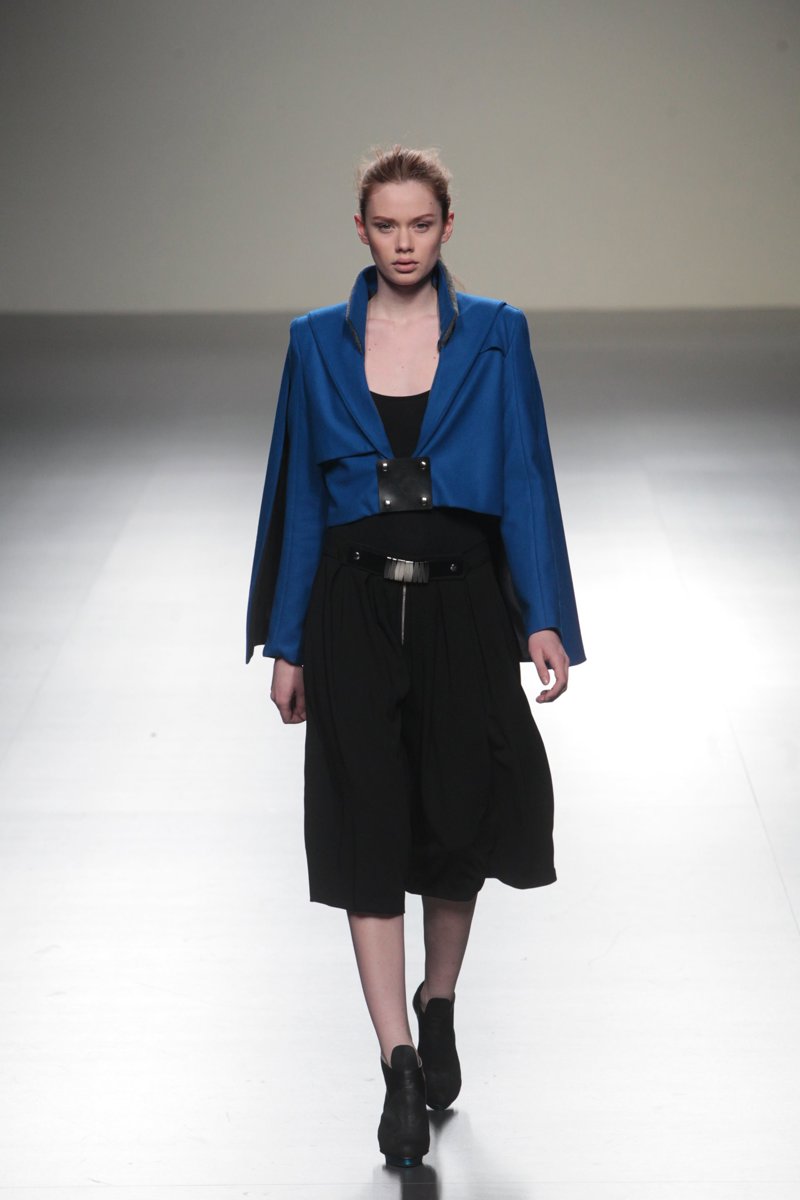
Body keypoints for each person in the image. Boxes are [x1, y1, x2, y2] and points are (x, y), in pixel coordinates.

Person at [245, 144, 586, 1169]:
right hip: (351, 608)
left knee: (455, 816)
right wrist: (289, 641)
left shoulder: (495, 334)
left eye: (420, 225)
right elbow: (301, 496)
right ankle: (396, 1061)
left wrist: (542, 617)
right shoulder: (315, 341)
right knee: (364, 827)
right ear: (361, 230)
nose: (403, 243)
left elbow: (523, 474)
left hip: (464, 605)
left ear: (446, 227)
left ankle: (438, 1002)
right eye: (386, 226)